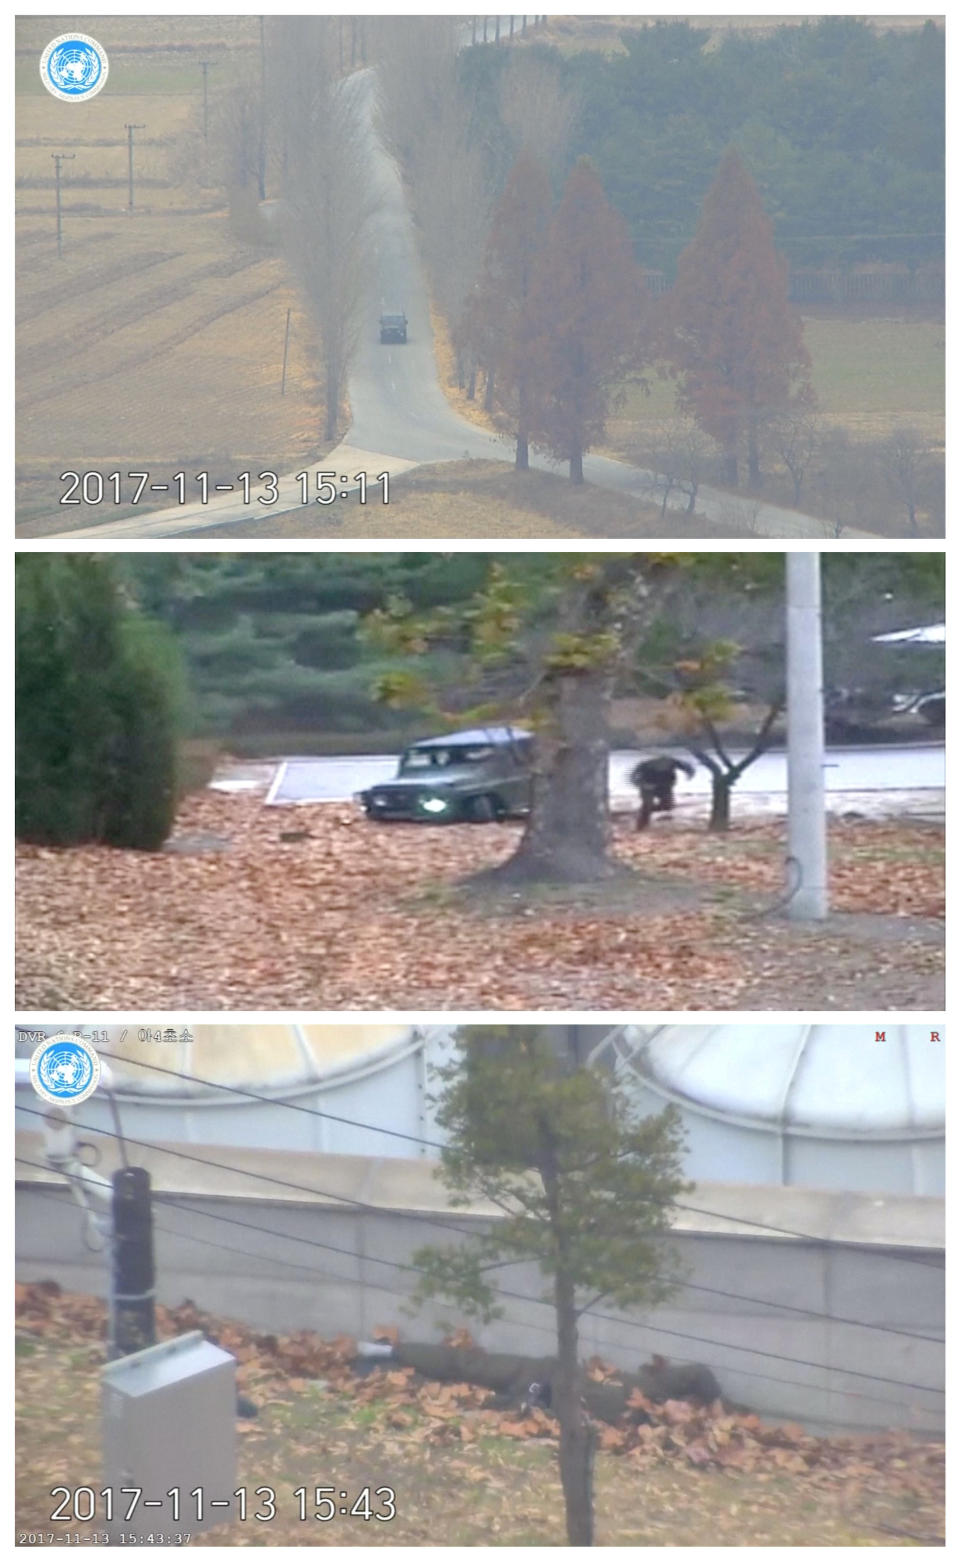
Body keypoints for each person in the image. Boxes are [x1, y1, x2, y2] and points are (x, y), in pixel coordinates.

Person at [630, 755, 695, 831]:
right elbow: (633, 777)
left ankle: (644, 812)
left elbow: (687, 768)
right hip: (648, 786)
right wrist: (642, 784)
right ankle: (641, 826)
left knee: (668, 805)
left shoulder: (671, 762)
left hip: (664, 787)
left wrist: (689, 774)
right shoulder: (645, 765)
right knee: (647, 804)